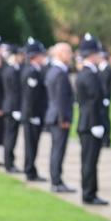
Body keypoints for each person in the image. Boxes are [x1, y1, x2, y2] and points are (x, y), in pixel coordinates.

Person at [76, 34, 108, 205]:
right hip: (90, 124)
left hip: (88, 123)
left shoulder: (89, 72)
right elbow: (92, 101)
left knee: (91, 162)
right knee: (89, 162)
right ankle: (88, 194)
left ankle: (91, 192)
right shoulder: (88, 74)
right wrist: (96, 123)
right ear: (92, 55)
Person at [45, 42, 76, 193]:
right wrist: (64, 119)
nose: (71, 56)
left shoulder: (55, 70)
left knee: (57, 150)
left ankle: (57, 179)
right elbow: (61, 98)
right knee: (58, 150)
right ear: (61, 54)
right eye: (69, 52)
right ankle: (56, 181)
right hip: (59, 118)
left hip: (55, 116)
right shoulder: (59, 72)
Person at [21, 38, 48, 182]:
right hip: (32, 114)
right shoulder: (31, 72)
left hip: (35, 113)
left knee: (34, 144)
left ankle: (31, 168)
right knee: (31, 145)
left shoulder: (36, 70)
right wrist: (32, 115)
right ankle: (30, 170)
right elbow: (30, 96)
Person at [1, 44, 24, 173]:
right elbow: (14, 91)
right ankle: (9, 163)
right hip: (12, 107)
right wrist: (16, 108)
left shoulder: (12, 69)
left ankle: (9, 162)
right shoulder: (11, 70)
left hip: (11, 106)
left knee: (11, 136)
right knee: (10, 136)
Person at [98, 50, 111, 148]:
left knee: (106, 119)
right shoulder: (100, 68)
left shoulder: (107, 69)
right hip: (101, 97)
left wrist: (106, 97)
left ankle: (107, 139)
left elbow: (106, 86)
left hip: (105, 98)